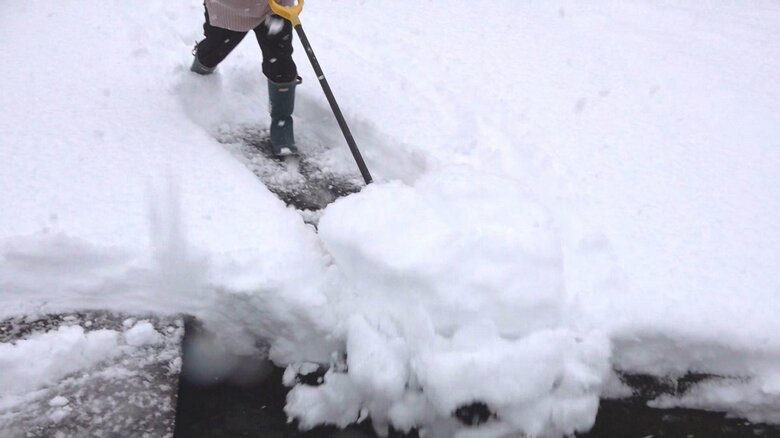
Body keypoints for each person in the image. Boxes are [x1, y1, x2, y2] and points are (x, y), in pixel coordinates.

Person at [191, 0, 299, 156]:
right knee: (211, 54)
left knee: (280, 63)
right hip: (227, 8)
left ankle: (282, 125)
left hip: (274, 6)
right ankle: (195, 87)